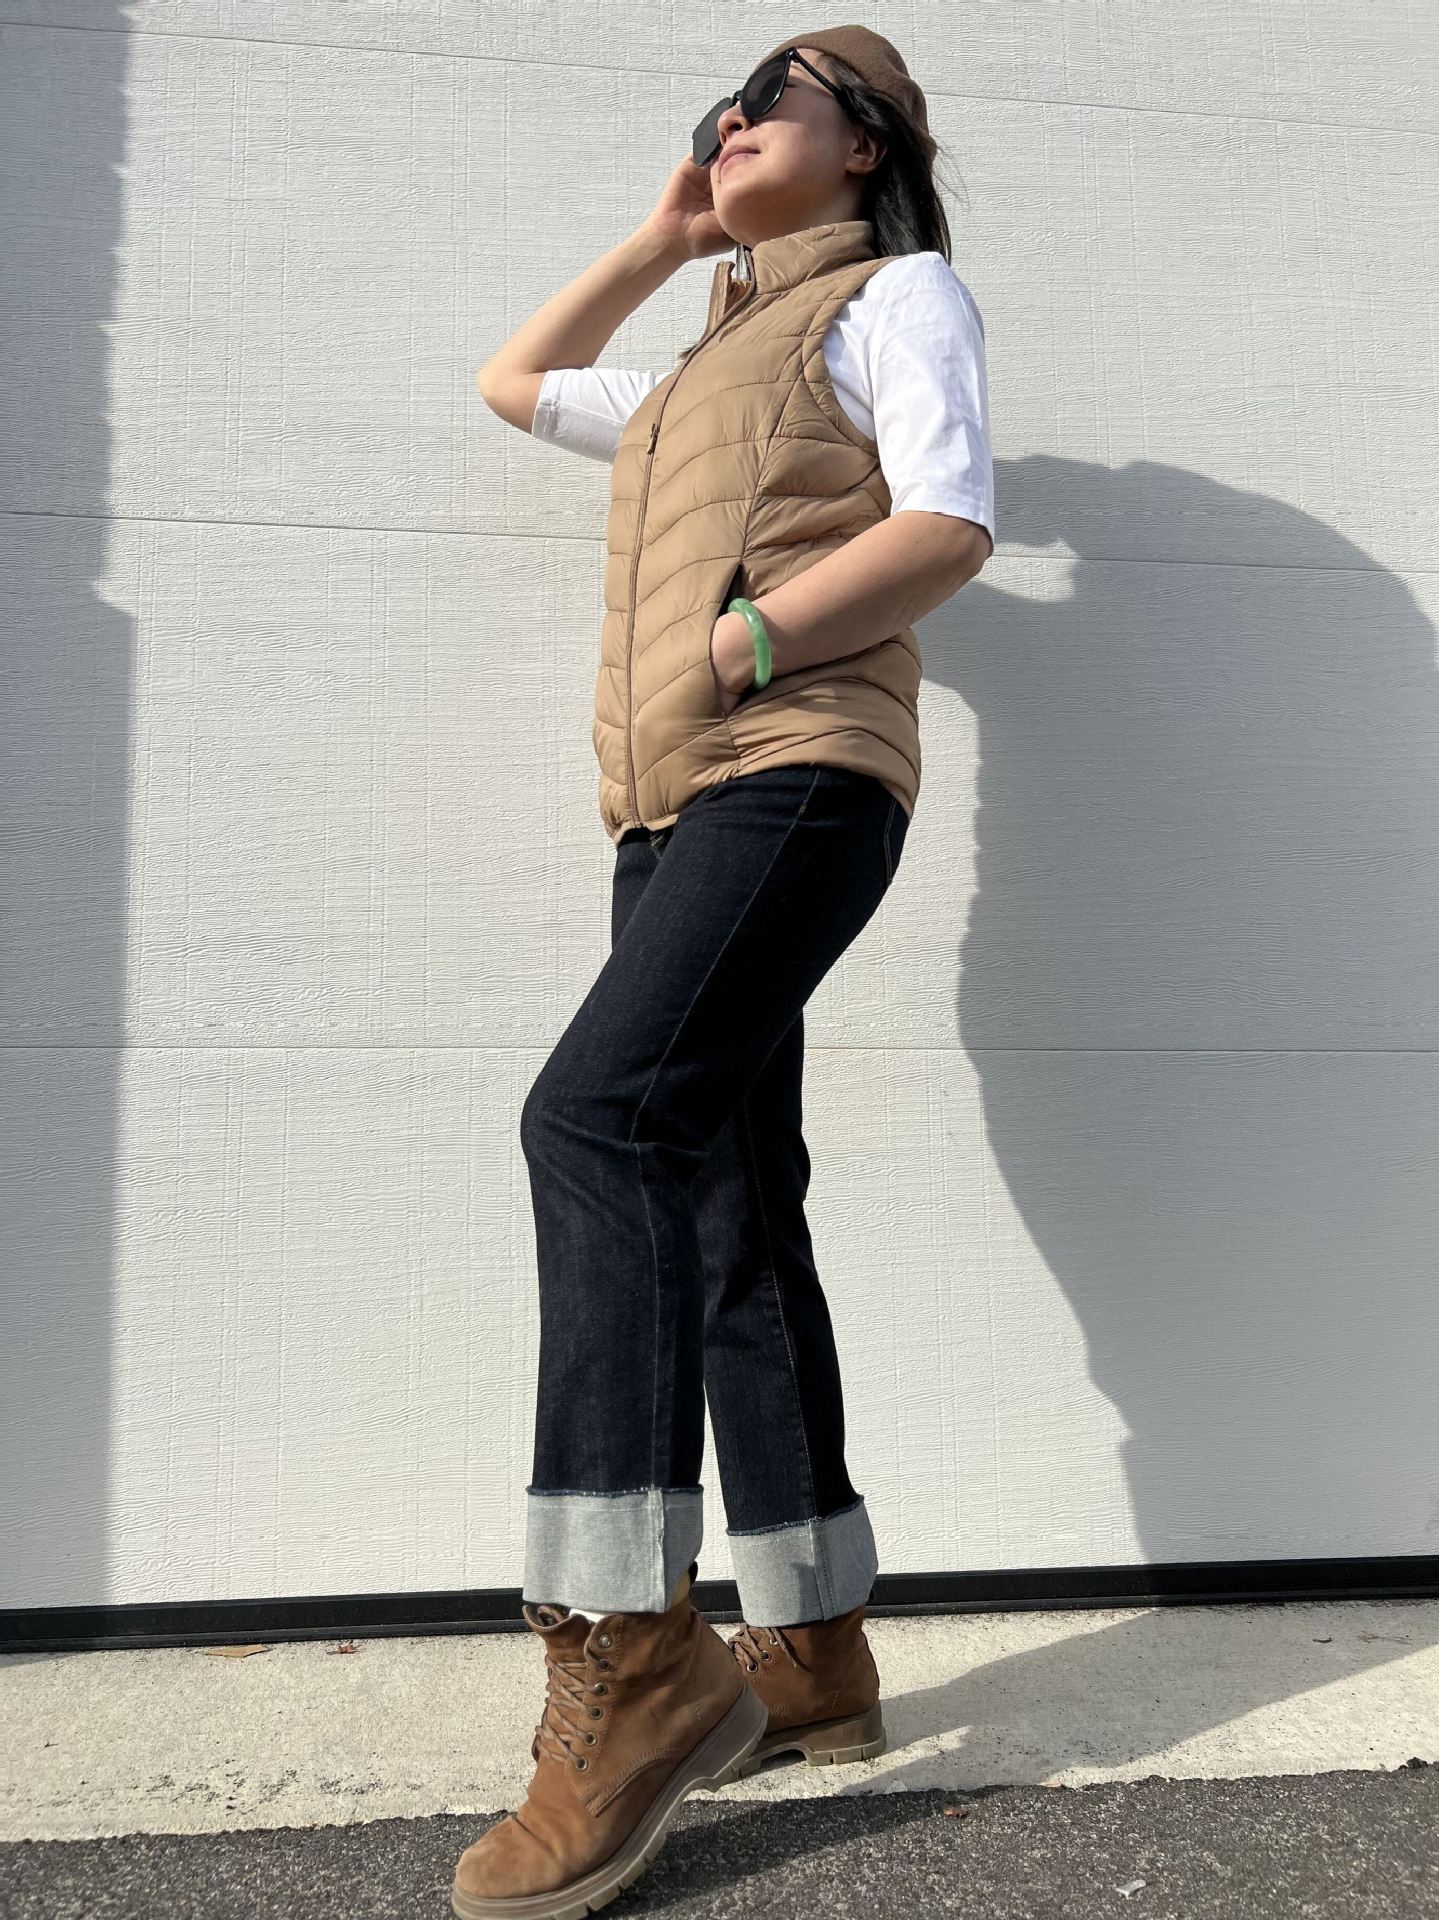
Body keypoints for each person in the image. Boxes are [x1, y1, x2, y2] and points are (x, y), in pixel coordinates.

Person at [456, 27, 994, 1919]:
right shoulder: (697, 371)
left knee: (592, 1123)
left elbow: (948, 519)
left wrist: (745, 645)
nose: (739, 116)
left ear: (871, 150)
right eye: (724, 105)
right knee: (726, 1198)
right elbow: (515, 382)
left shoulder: (899, 295)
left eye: (781, 96)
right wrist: (664, 239)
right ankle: (813, 1648)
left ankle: (631, 1649)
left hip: (796, 777)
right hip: (675, 811)